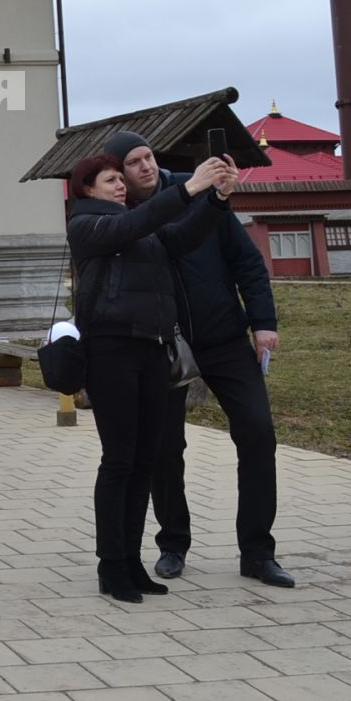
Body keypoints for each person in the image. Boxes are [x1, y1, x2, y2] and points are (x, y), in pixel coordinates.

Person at [103, 130, 294, 589]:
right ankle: (173, 544)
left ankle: (257, 552)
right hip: (162, 347)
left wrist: (262, 322)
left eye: (148, 156)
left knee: (257, 433)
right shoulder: (122, 216)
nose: (146, 166)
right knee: (166, 450)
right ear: (120, 173)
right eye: (133, 162)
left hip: (224, 337)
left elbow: (246, 261)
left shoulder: (202, 190)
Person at [66, 151, 236, 603]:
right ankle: (110, 566)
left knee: (145, 461)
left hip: (152, 351)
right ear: (87, 189)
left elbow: (178, 239)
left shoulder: (137, 222)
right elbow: (130, 229)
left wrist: (216, 201)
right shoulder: (87, 226)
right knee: (119, 461)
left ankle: (132, 562)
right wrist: (189, 188)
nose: (121, 186)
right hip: (111, 353)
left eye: (120, 181)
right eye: (109, 181)